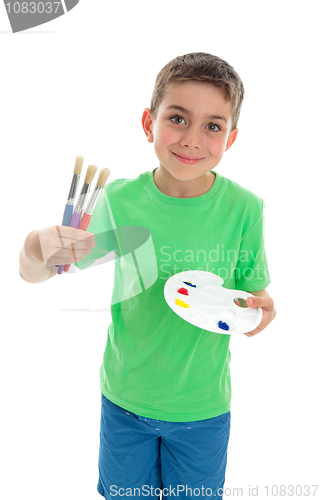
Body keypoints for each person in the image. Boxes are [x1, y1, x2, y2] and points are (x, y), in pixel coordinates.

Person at [19, 52, 276, 500]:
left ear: (230, 138)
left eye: (212, 126)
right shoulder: (120, 200)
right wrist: (34, 246)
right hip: (125, 400)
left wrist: (261, 311)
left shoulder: (245, 209)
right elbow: (40, 272)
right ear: (148, 123)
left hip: (203, 408)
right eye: (178, 118)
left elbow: (255, 297)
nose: (192, 139)